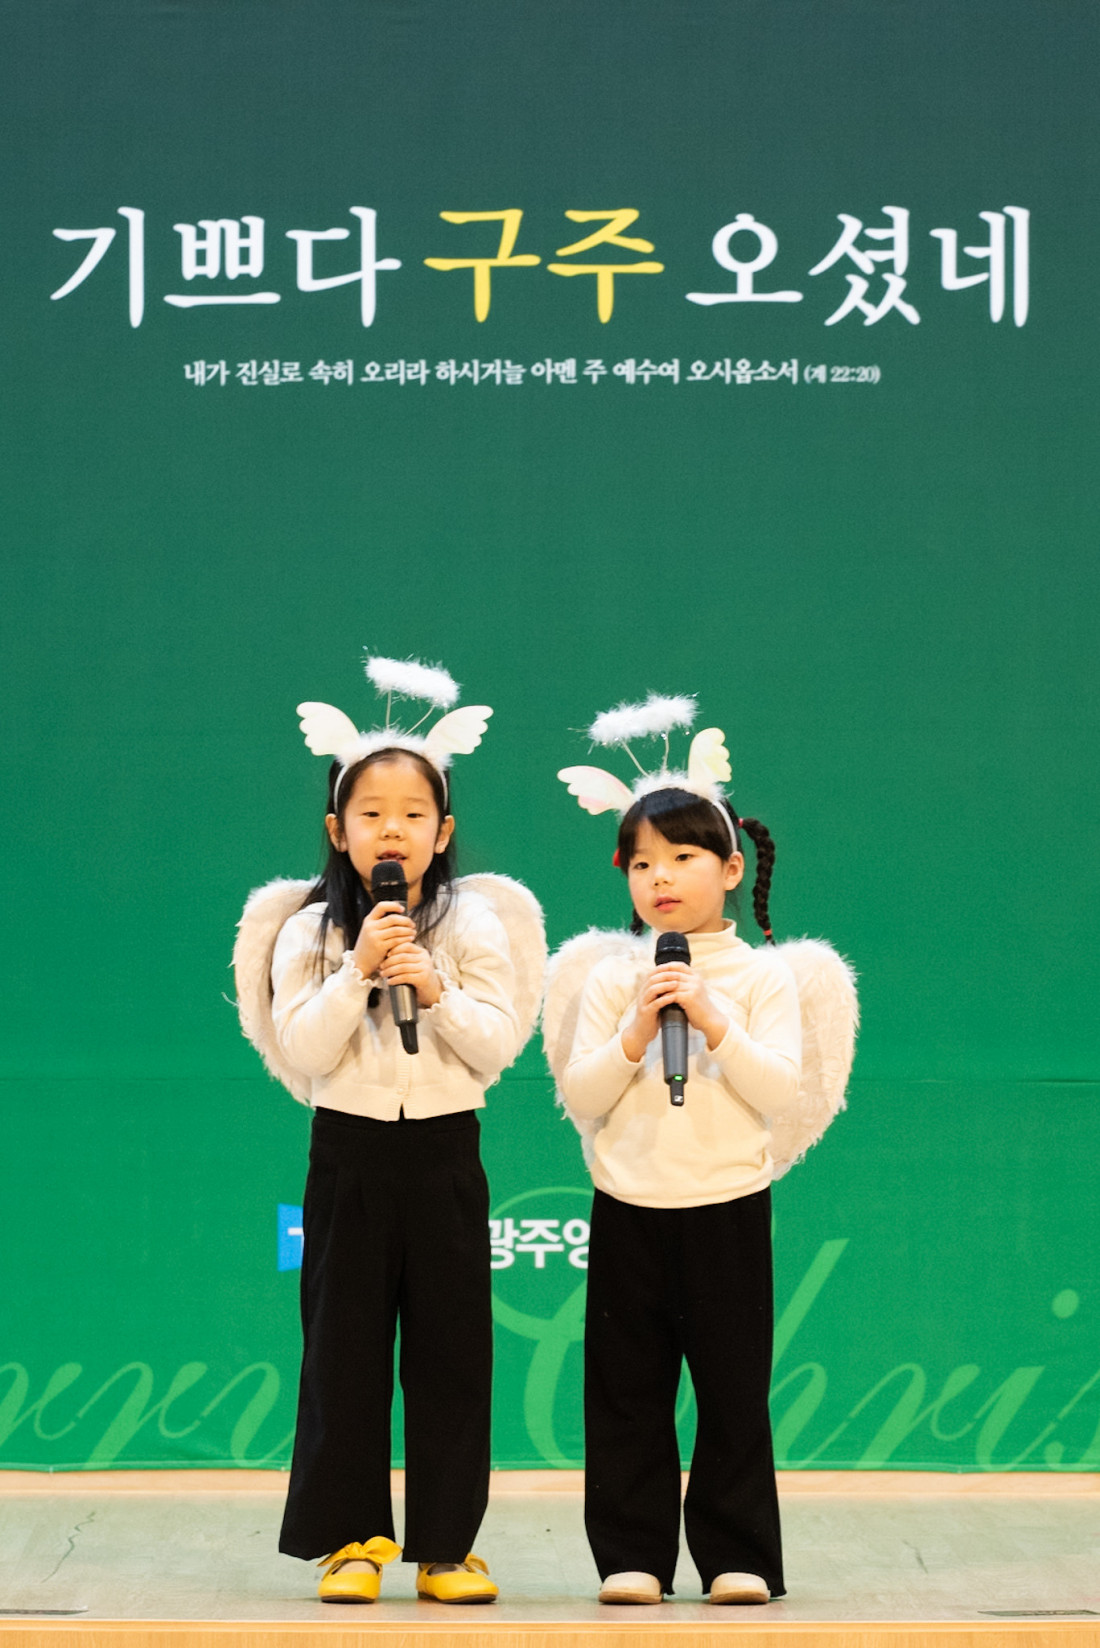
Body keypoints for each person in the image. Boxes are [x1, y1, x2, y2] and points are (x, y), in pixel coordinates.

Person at [234, 656, 545, 1606]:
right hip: (350, 1154)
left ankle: (447, 1547)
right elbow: (303, 1050)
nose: (393, 830)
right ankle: (352, 1539)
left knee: (452, 1356)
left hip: (445, 1152)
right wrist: (358, 969)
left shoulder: (474, 922)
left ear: (443, 831)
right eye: (371, 813)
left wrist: (433, 986)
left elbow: (496, 1046)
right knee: (344, 1352)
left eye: (414, 814)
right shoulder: (308, 930)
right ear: (339, 829)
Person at [547, 696, 854, 1607]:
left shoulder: (763, 977)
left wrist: (713, 1018)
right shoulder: (613, 977)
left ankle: (736, 1554)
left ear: (730, 867)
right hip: (629, 1205)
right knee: (625, 1393)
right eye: (642, 863)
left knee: (731, 1392)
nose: (661, 878)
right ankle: (632, 1555)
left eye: (682, 857)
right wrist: (639, 1030)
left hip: (727, 1205)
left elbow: (779, 1090)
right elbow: (582, 1096)